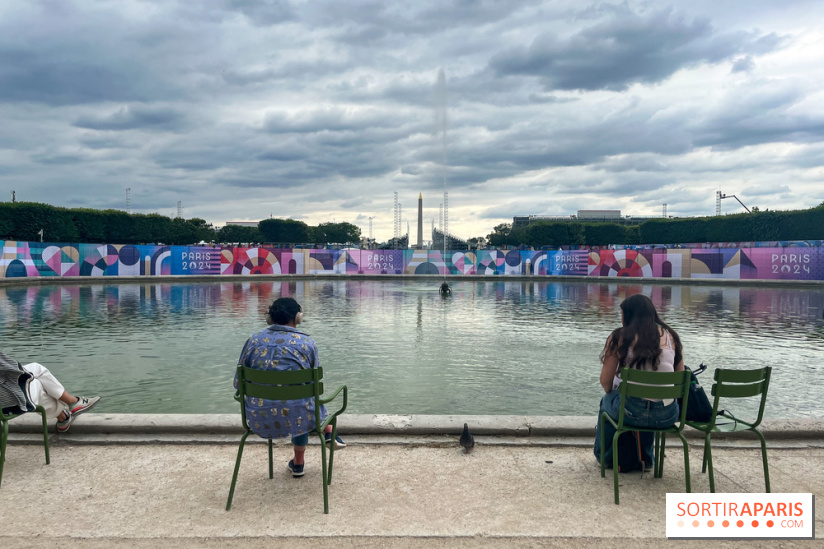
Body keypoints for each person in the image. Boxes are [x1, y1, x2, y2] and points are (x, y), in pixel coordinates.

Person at [235, 297, 345, 478]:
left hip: (259, 419)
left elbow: (238, 383)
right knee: (304, 400)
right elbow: (312, 385)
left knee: (301, 399)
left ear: (269, 318)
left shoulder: (253, 340)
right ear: (298, 317)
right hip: (299, 417)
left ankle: (302, 460)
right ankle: (322, 437)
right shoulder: (307, 343)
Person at [593, 294, 684, 468]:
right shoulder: (672, 337)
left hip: (630, 411)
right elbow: (680, 378)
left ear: (628, 316)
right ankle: (646, 458)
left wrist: (615, 394)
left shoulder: (619, 337)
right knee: (651, 399)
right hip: (666, 415)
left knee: (607, 402)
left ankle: (604, 456)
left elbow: (605, 381)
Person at [0, 350, 101, 433]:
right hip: (7, 403)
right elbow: (12, 367)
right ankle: (71, 405)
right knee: (37, 382)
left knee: (35, 369)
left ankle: (64, 415)